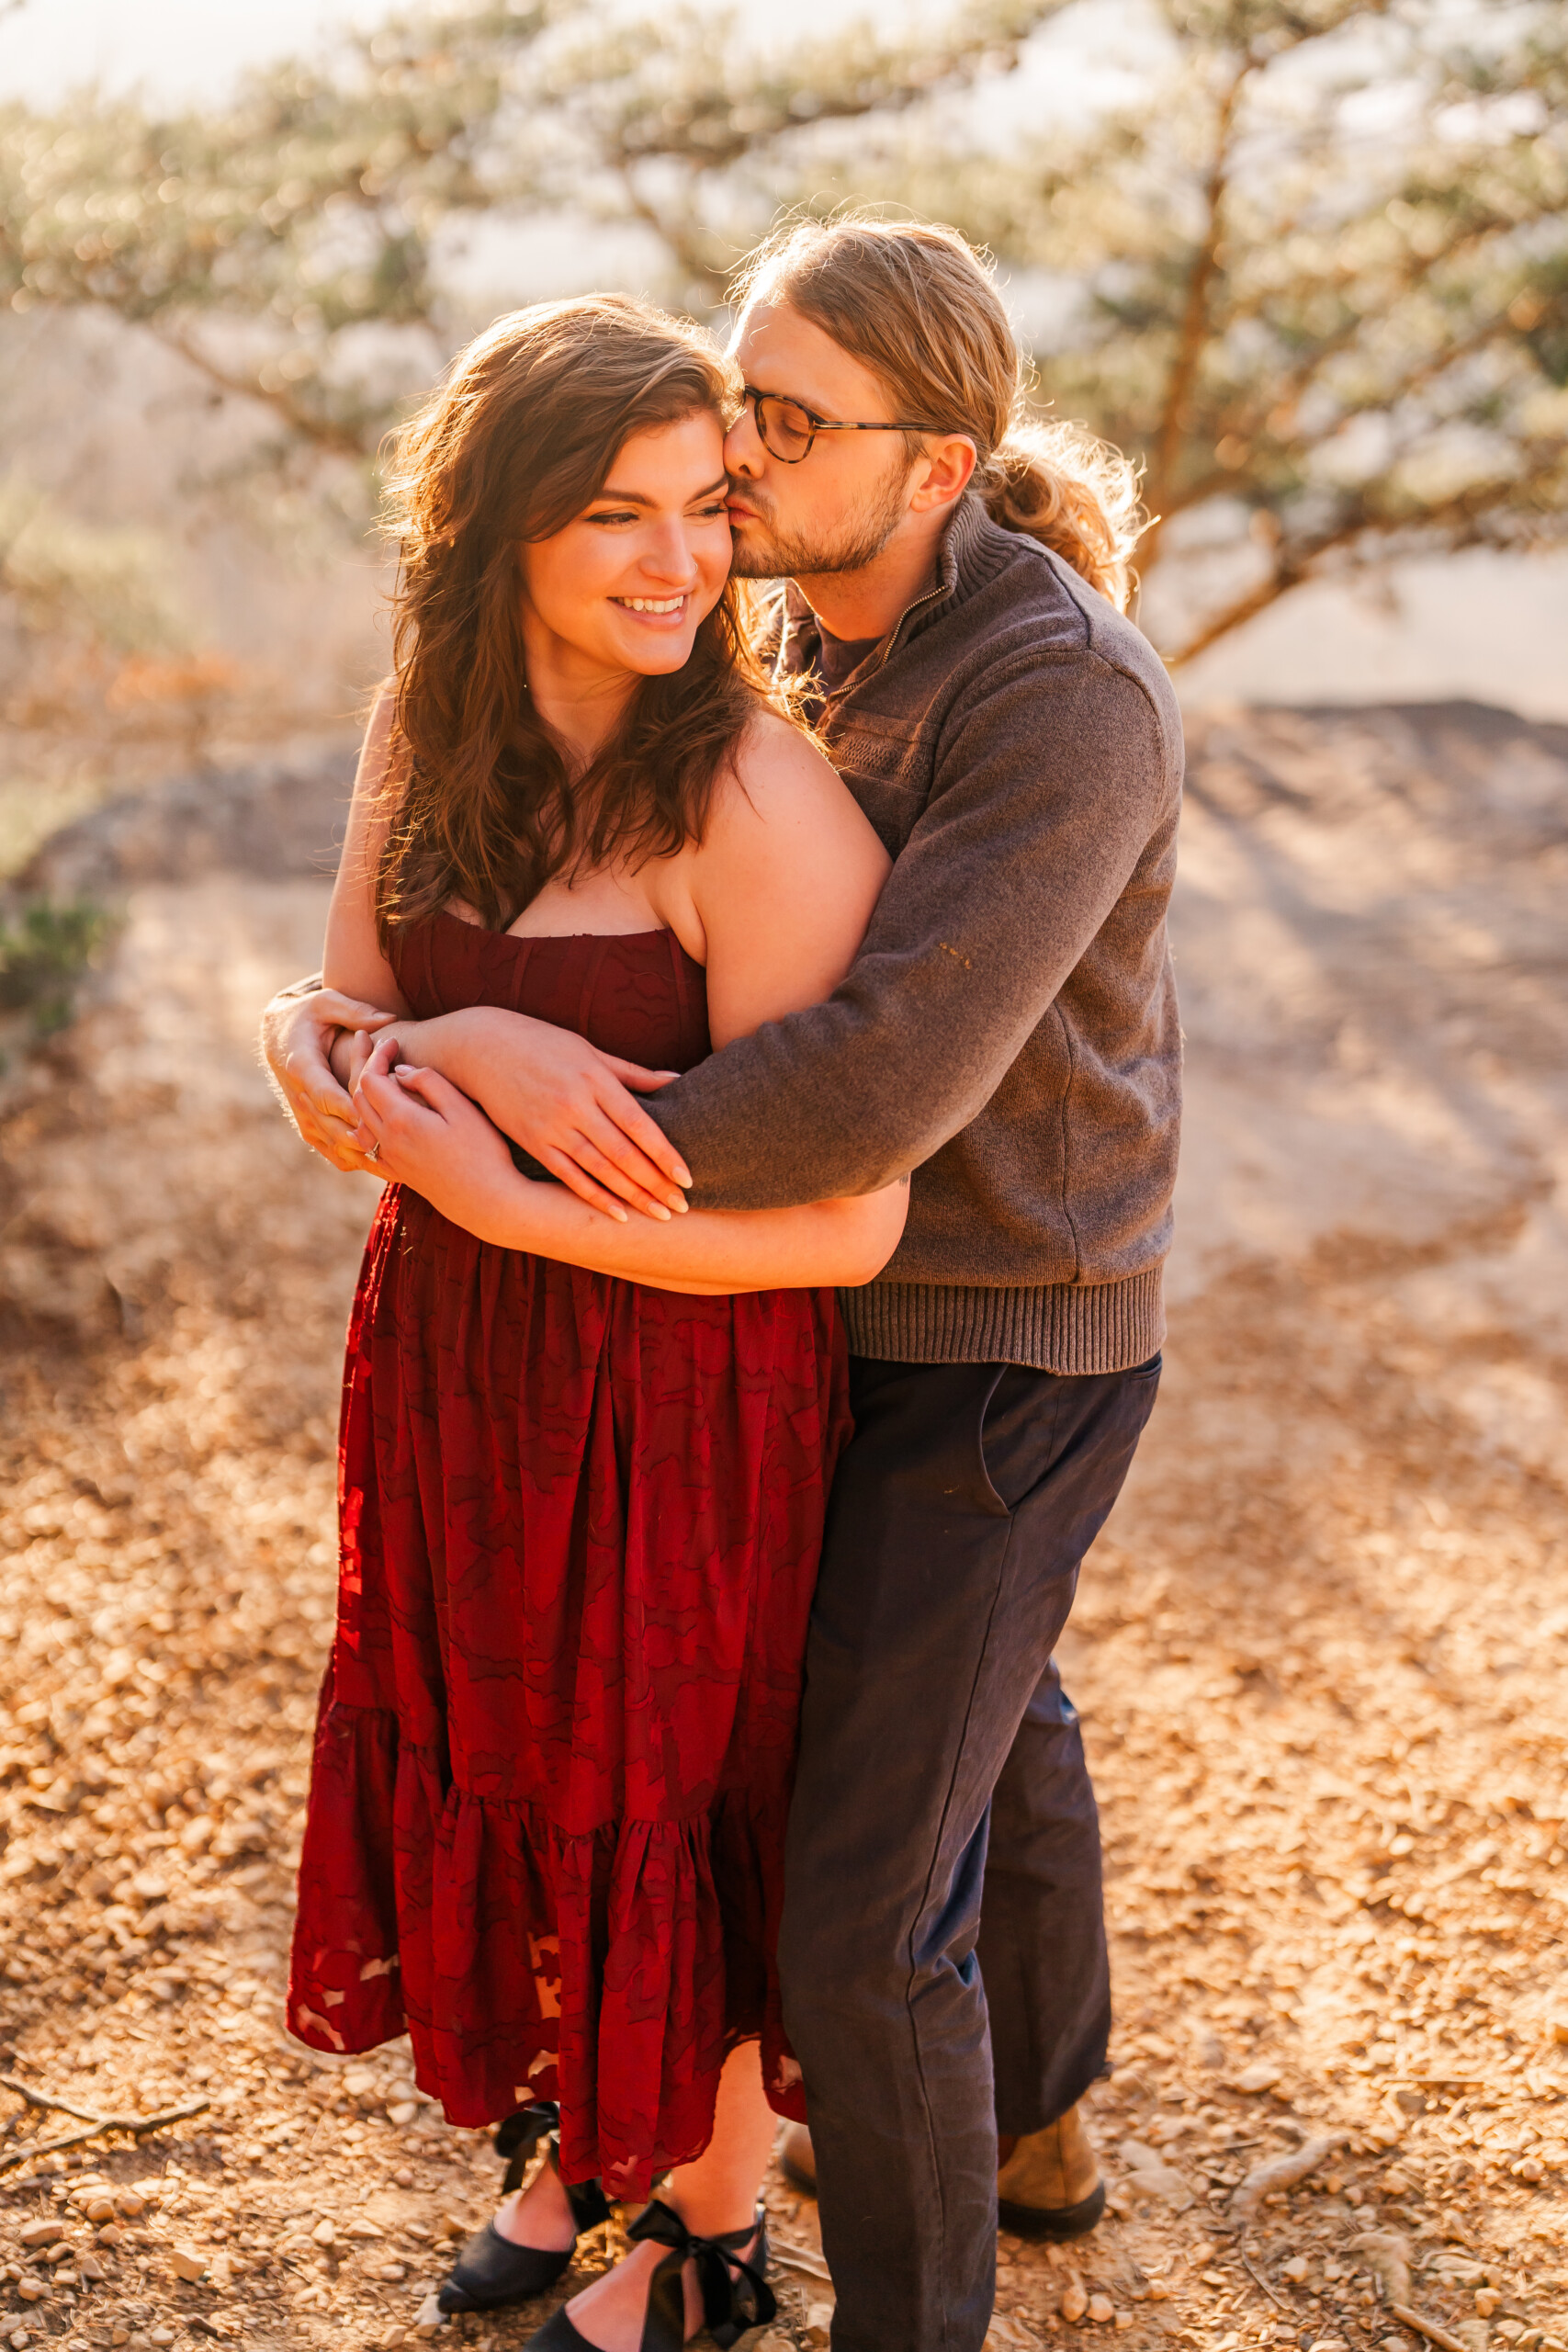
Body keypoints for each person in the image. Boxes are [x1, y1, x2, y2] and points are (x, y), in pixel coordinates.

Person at [265, 217, 1183, 2352]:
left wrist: (481, 1125)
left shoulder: (1056, 697)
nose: (729, 483)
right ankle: (1027, 2114)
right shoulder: (792, 623)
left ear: (936, 461)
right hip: (731, 1297)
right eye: (724, 410)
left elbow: (864, 1090)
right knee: (974, 1731)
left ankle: (851, 2288)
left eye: (772, 431)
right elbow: (405, 943)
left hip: (990, 1318)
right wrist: (349, 1038)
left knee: (857, 1889)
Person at [283, 290, 908, 2352]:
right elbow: (346, 1031)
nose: (679, 561)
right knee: (515, 1747)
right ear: (498, 533)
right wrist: (454, 1036)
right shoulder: (423, 734)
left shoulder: (750, 801)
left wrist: (478, 1178)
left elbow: (843, 1225)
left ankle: (707, 2228)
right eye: (616, 514)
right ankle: (572, 2138)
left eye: (709, 509)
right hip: (460, 1370)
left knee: (675, 1788)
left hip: (686, 1386)